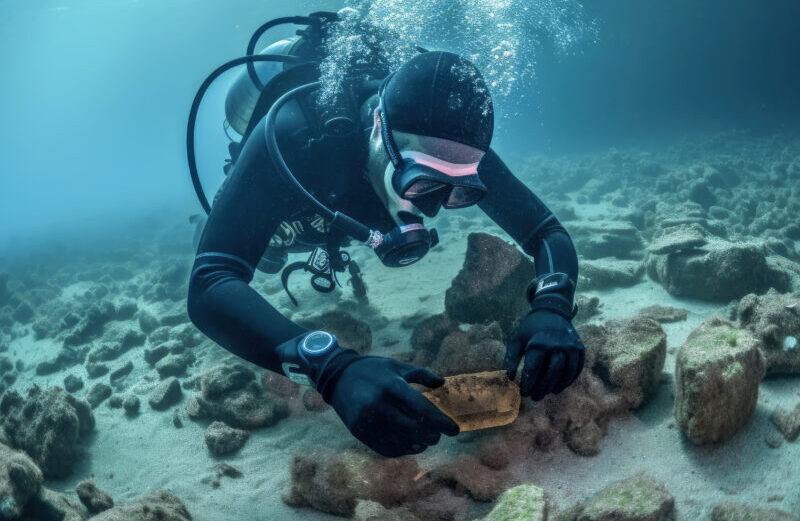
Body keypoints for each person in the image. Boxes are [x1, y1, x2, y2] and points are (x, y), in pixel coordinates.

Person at [188, 49, 584, 458]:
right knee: (267, 252)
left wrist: (552, 307)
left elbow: (545, 231)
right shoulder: (293, 135)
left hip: (348, 201)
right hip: (296, 210)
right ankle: (213, 221)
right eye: (421, 181)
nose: (431, 209)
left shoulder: (455, 145)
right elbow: (210, 283)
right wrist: (332, 369)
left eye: (461, 191)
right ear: (379, 129)